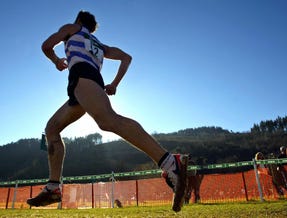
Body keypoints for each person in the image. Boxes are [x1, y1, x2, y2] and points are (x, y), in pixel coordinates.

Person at [26, 11, 188, 212]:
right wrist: (114, 84)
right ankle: (53, 188)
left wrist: (56, 61)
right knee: (52, 128)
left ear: (78, 21)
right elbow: (126, 58)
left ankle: (171, 162)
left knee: (108, 120)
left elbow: (46, 46)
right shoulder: (100, 46)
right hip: (88, 84)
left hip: (82, 78)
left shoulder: (71, 28)